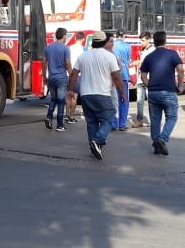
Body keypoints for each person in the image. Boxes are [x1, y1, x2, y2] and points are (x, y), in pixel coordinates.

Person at [67, 30, 126, 160]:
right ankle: (98, 140)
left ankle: (95, 146)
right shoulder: (109, 56)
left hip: (86, 95)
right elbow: (116, 77)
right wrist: (122, 92)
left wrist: (70, 90)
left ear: (92, 42)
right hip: (103, 94)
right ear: (105, 42)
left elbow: (74, 74)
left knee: (92, 121)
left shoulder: (83, 56)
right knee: (109, 117)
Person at [139, 31, 184, 156]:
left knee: (155, 120)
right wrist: (180, 85)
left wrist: (151, 86)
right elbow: (180, 69)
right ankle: (162, 139)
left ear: (153, 41)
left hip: (153, 93)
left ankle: (156, 146)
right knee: (172, 117)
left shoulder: (149, 56)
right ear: (165, 41)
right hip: (168, 91)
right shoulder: (172, 54)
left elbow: (143, 77)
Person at [43, 27, 71, 132]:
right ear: (64, 36)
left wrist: (44, 76)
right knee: (60, 101)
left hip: (51, 78)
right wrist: (71, 76)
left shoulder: (48, 48)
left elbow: (44, 62)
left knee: (53, 99)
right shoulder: (65, 48)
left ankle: (49, 118)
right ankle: (60, 124)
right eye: (66, 36)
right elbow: (68, 63)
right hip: (61, 78)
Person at [130, 31, 154, 128]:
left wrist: (138, 62)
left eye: (143, 40)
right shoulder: (143, 50)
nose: (141, 42)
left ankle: (153, 121)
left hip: (149, 79)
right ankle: (139, 120)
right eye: (141, 40)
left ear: (149, 40)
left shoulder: (153, 50)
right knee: (139, 101)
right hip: (141, 79)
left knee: (151, 101)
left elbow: (149, 62)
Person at [109, 30, 132, 131]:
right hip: (124, 76)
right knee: (124, 100)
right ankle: (122, 124)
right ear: (124, 36)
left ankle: (113, 123)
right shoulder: (128, 46)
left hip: (113, 76)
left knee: (113, 100)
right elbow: (128, 61)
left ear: (115, 36)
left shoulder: (112, 46)